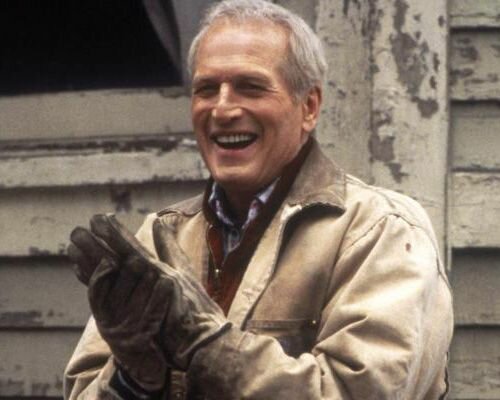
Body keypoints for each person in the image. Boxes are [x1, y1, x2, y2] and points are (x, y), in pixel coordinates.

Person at [64, 0, 454, 399]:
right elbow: (82, 391)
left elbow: (361, 392)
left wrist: (209, 347)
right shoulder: (161, 237)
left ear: (309, 107)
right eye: (206, 89)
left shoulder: (379, 231)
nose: (222, 109)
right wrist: (134, 378)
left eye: (250, 87)